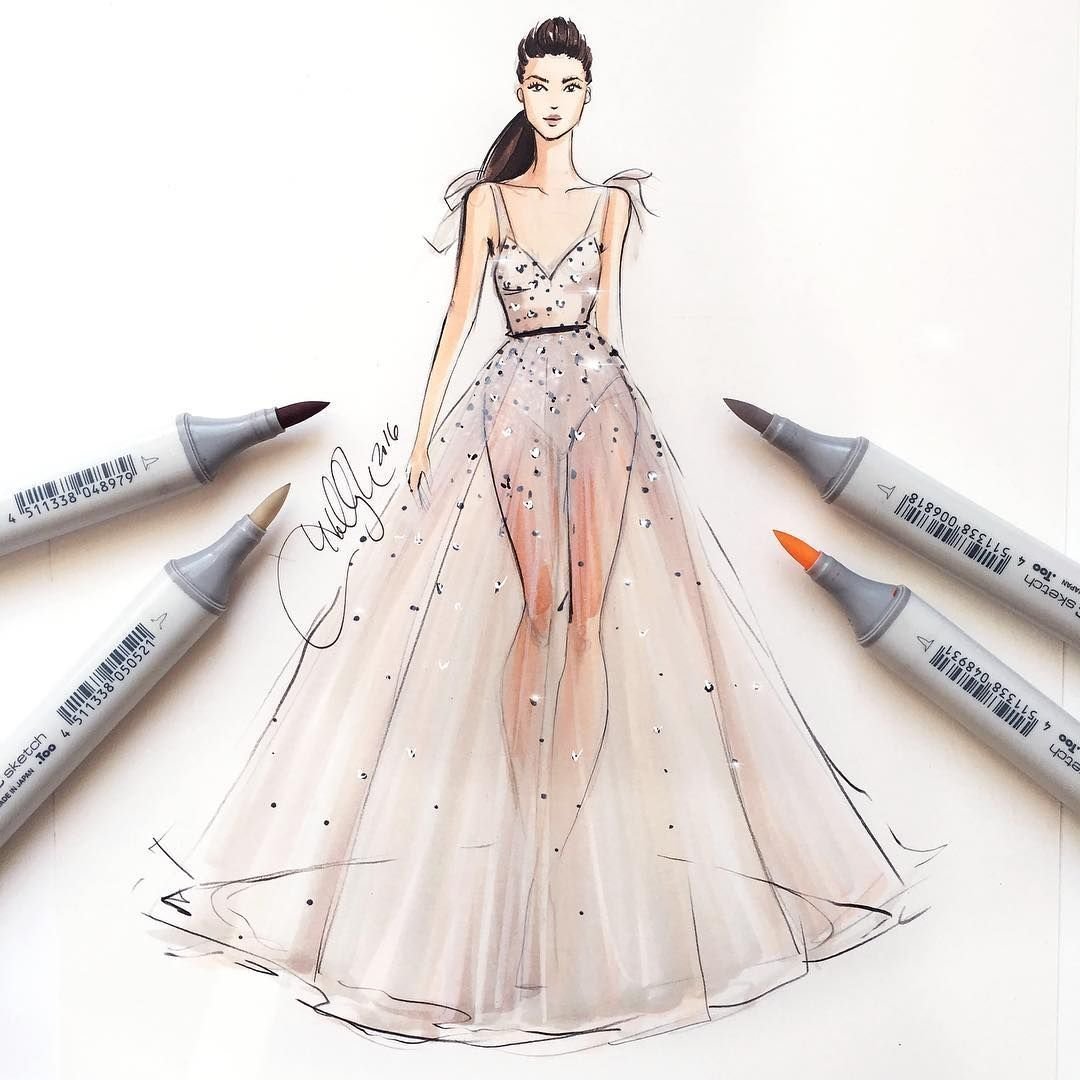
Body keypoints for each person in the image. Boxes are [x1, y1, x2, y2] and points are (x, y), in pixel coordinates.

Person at [148, 16, 926, 1051]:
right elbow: (458, 317)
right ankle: (529, 806)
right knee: (539, 606)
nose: (553, 101)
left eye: (569, 85)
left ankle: (563, 825)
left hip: (602, 407)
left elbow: (617, 326)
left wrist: (641, 425)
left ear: (587, 95)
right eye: (540, 85)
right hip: (512, 405)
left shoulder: (612, 206)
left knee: (594, 616)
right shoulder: (490, 202)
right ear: (520, 91)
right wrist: (423, 429)